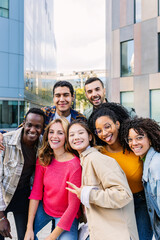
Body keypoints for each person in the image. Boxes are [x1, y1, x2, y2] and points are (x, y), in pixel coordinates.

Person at [66, 119, 139, 240]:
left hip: (118, 234)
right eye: (71, 135)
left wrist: (88, 194)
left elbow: (124, 194)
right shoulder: (85, 160)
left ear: (90, 136)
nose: (76, 137)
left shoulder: (96, 159)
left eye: (80, 133)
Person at [91, 102, 153, 240]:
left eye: (107, 126)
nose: (104, 133)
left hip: (140, 202)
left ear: (117, 124)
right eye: (99, 130)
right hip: (116, 207)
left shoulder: (134, 146)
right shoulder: (99, 154)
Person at [24, 118, 81, 240]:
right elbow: (36, 193)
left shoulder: (74, 165)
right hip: (45, 209)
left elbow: (73, 206)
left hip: (67, 215)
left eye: (60, 133)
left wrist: (51, 237)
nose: (54, 136)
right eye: (51, 132)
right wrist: (29, 228)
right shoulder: (44, 158)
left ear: (66, 136)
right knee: (25, 233)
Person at [0, 108, 45, 240]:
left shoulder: (44, 145)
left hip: (24, 197)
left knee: (25, 236)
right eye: (29, 125)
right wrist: (1, 217)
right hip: (3, 194)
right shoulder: (5, 142)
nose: (32, 130)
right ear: (23, 123)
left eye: (38, 126)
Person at [121, 117, 160, 240]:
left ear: (150, 138)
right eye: (130, 139)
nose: (134, 143)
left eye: (139, 137)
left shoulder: (155, 166)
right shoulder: (146, 161)